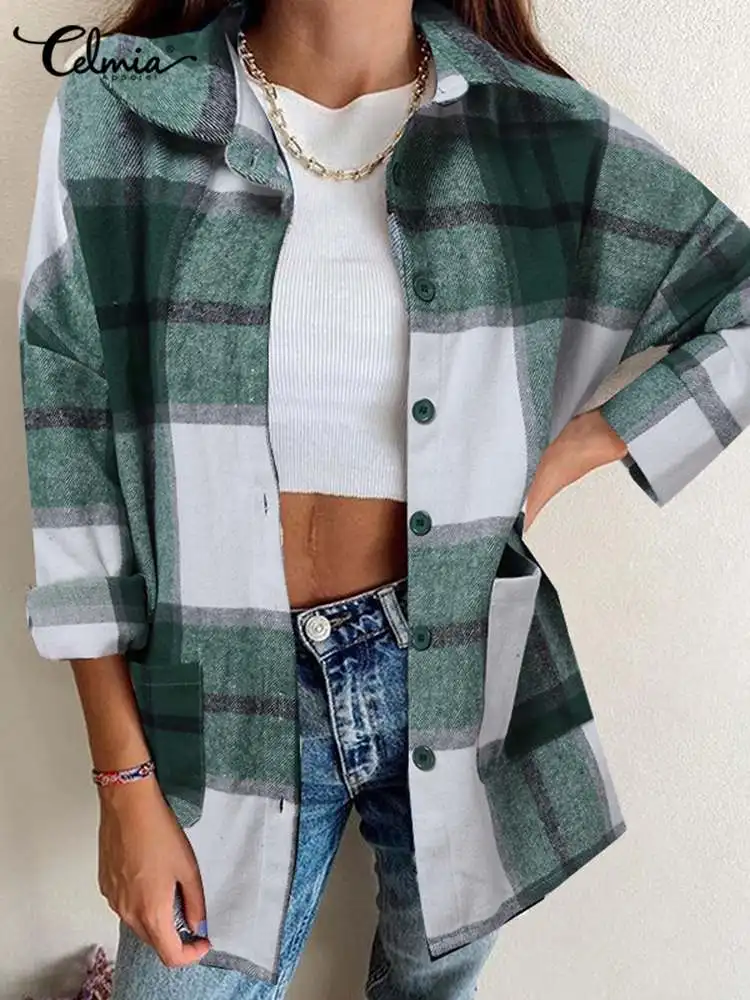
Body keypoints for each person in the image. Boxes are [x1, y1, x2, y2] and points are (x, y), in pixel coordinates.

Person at [16, 0, 750, 997]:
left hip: (452, 667)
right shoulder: (124, 106)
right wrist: (124, 782)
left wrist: (577, 448)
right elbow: (71, 450)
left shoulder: (535, 129)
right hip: (213, 676)